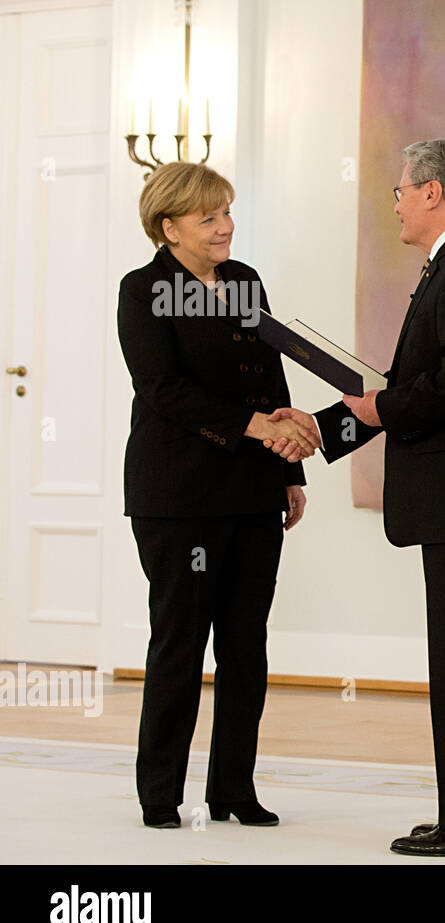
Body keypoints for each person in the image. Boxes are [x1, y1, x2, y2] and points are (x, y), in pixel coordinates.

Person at [270, 139, 445, 856]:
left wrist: (376, 410)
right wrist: (325, 425)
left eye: (400, 189)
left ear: (433, 191)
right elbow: (402, 387)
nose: (394, 202)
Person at [117, 161, 321, 829]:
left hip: (251, 487)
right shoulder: (143, 289)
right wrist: (254, 426)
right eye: (208, 217)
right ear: (168, 226)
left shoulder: (244, 282)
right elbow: (163, 390)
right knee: (179, 640)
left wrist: (290, 467)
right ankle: (160, 793)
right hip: (177, 493)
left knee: (245, 643)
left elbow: (269, 371)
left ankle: (233, 787)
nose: (225, 225)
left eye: (227, 212)